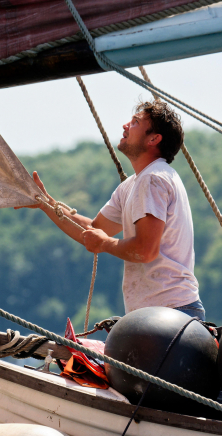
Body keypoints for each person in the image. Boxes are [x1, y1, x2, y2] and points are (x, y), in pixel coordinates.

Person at [28, 99, 205, 321]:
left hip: (170, 313)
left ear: (153, 138)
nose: (125, 125)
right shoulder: (134, 184)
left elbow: (145, 250)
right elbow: (93, 230)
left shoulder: (153, 179)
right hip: (159, 314)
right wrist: (45, 203)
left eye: (135, 122)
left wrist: (104, 243)